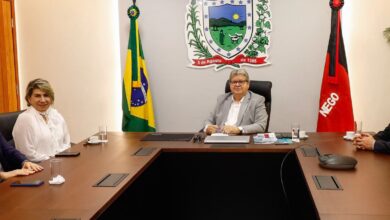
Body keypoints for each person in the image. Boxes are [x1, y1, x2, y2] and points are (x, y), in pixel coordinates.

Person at [12, 78, 71, 162]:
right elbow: (27, 154)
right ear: (29, 99)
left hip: (60, 162)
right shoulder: (25, 119)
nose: (43, 100)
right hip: (38, 168)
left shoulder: (56, 115)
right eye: (37, 96)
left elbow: (67, 142)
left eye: (46, 95)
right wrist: (52, 160)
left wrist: (60, 158)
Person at [204, 69, 268, 135]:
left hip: (241, 137)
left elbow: (261, 126)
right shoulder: (222, 99)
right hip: (220, 137)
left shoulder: (257, 100)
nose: (237, 84)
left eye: (241, 82)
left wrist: (238, 129)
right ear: (230, 84)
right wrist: (208, 127)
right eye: (234, 82)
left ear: (248, 84)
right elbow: (209, 120)